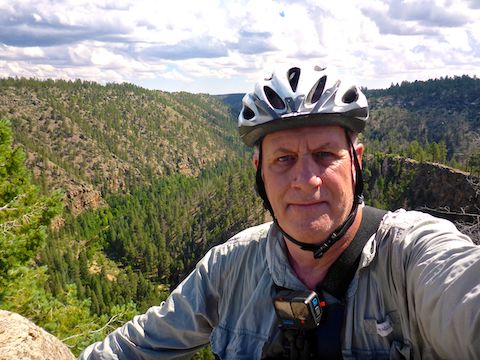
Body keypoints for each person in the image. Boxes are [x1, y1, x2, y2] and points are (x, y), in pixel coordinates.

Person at [79, 65, 480, 359]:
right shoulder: (230, 267)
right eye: (284, 159)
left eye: (325, 155)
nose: (306, 180)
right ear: (260, 172)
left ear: (357, 161)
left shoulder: (409, 258)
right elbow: (137, 345)